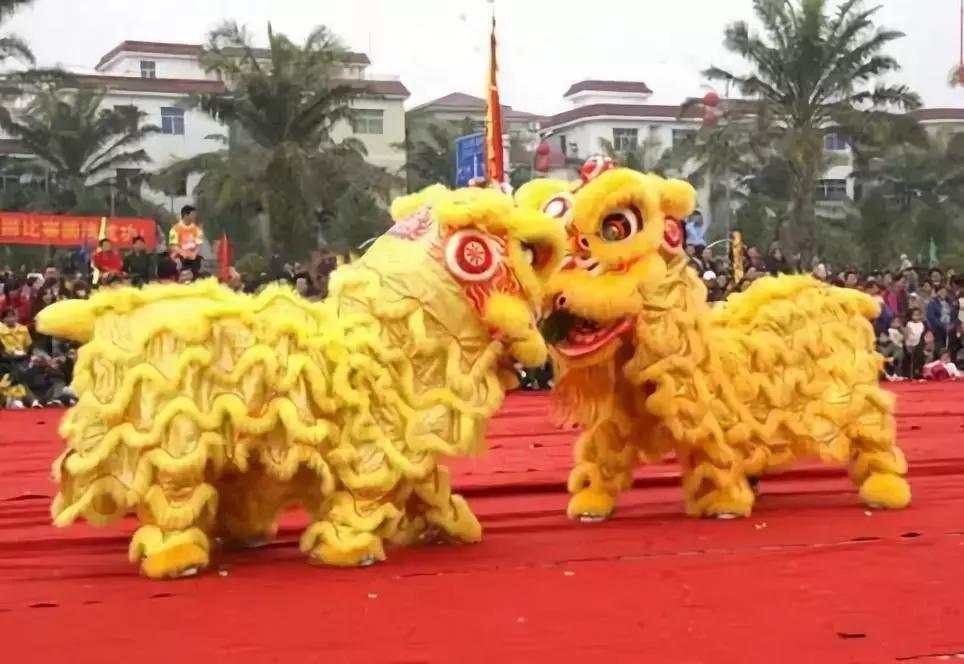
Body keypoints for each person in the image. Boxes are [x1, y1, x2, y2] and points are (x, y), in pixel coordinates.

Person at [169, 205, 205, 275]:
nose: (195, 216)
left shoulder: (197, 230)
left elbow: (199, 245)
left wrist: (193, 254)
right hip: (179, 257)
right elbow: (173, 246)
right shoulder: (175, 229)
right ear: (186, 215)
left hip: (193, 257)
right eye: (193, 214)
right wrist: (184, 254)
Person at [904, 308, 927, 378]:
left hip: (920, 343)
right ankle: (913, 372)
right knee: (914, 354)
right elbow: (907, 335)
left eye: (918, 315)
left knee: (920, 351)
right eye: (914, 315)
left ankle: (919, 371)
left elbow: (923, 334)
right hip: (910, 343)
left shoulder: (922, 324)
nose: (916, 316)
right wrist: (908, 345)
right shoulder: (909, 324)